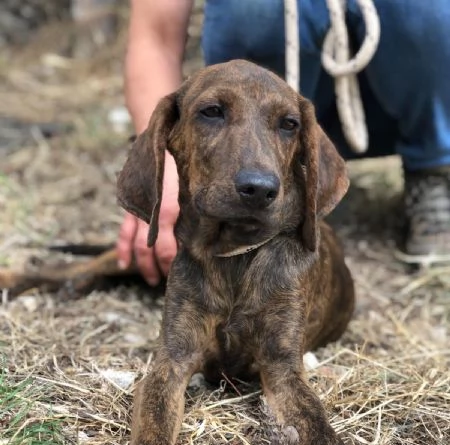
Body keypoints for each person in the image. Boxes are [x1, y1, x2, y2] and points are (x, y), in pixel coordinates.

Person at [117, 0, 450, 285]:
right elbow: (154, 39)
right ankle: (285, 182)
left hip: (399, 102)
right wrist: (165, 173)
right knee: (253, 8)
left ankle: (434, 170)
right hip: (265, 122)